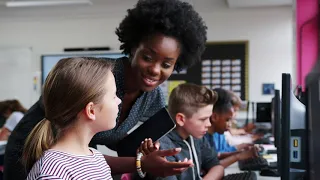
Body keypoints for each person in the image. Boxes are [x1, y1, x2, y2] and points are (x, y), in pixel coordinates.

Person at [3, 0, 207, 179]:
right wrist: (140, 164)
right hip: (31, 156)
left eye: (166, 64)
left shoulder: (152, 98)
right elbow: (71, 153)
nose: (155, 70)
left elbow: (125, 147)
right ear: (133, 47)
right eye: (148, 57)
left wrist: (147, 152)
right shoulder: (95, 77)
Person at [23, 57, 120, 179]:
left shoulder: (96, 158)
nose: (119, 101)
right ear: (91, 110)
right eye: (113, 96)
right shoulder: (53, 170)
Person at [140, 84, 224, 180]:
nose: (209, 124)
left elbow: (217, 166)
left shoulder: (196, 136)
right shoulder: (162, 147)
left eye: (209, 118)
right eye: (203, 119)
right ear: (181, 119)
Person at [206, 88, 258, 168]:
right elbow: (211, 165)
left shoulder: (217, 131)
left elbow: (217, 155)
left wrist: (240, 152)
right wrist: (238, 156)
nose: (235, 115)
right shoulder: (205, 135)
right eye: (228, 119)